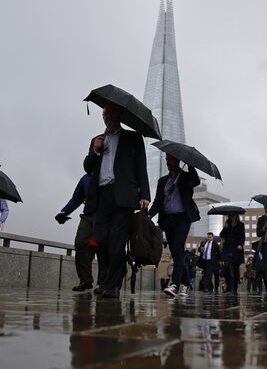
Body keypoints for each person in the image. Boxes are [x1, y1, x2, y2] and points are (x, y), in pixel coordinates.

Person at [83, 103, 150, 298]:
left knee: (117, 241)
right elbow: (88, 167)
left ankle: (112, 285)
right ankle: (113, 274)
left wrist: (144, 194)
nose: (107, 117)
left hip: (123, 195)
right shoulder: (97, 140)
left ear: (119, 115)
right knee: (101, 238)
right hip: (101, 195)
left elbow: (141, 167)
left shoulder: (133, 138)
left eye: (110, 114)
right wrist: (95, 150)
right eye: (104, 114)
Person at [148, 154, 201, 297]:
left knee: (178, 248)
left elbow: (195, 181)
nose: (167, 162)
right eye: (166, 160)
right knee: (176, 252)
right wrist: (149, 215)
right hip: (168, 220)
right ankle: (186, 283)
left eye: (170, 159)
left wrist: (190, 164)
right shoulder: (162, 181)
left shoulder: (185, 177)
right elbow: (158, 202)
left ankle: (175, 284)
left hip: (183, 218)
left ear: (177, 160)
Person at [55, 169, 97, 291]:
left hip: (106, 217)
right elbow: (77, 198)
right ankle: (85, 280)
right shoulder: (86, 178)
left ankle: (104, 283)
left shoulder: (110, 175)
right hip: (88, 216)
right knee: (80, 243)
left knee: (103, 249)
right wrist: (64, 212)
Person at [219, 213, 245, 295]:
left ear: (236, 216)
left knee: (235, 268)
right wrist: (225, 227)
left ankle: (234, 288)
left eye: (232, 215)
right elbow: (221, 235)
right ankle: (228, 287)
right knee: (226, 266)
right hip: (227, 248)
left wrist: (241, 244)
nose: (230, 216)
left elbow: (242, 236)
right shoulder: (227, 224)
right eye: (229, 215)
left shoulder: (241, 225)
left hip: (237, 248)